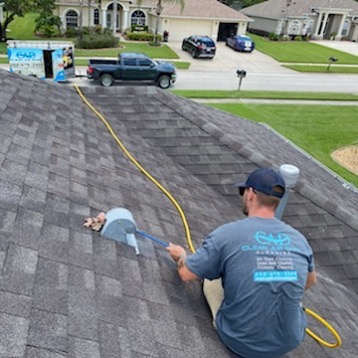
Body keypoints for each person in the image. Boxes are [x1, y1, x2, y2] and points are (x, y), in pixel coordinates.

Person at [167, 168, 316, 358]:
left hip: (241, 341)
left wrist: (180, 255)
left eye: (242, 191)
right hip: (287, 342)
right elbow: (310, 281)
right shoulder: (299, 240)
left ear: (251, 194)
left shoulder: (227, 235)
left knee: (212, 281)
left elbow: (186, 274)